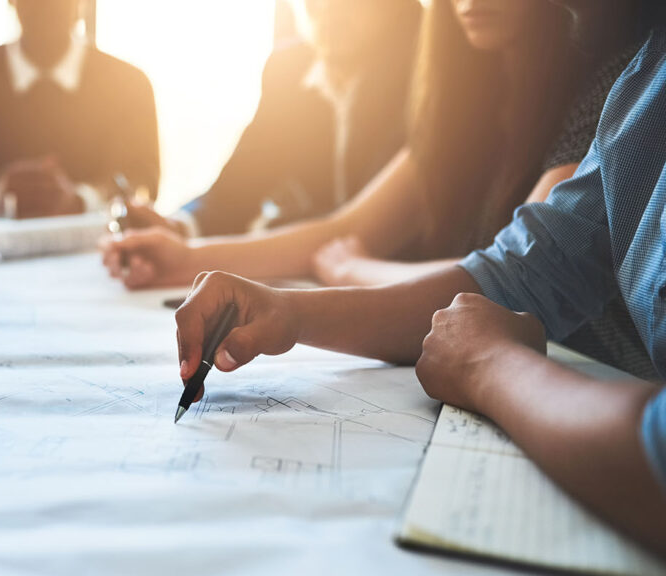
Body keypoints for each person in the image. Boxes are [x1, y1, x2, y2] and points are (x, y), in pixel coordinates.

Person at [172, 27, 666, 556]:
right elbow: (523, 273)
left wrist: (490, 365)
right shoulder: (645, 79)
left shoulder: (607, 79)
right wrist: (289, 310)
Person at [102, 0, 589, 289]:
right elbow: (344, 226)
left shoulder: (589, 90)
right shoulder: (467, 100)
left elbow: (515, 275)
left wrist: (353, 268)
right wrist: (185, 255)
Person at [123, 0, 421, 238]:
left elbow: (372, 225)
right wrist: (177, 227)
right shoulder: (290, 67)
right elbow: (241, 184)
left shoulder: (429, 72)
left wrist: (277, 227)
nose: (327, 6)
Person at [0, 0, 159, 219]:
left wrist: (81, 200)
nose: (46, 4)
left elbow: (143, 178)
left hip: (102, 252)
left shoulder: (128, 84)